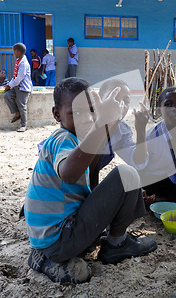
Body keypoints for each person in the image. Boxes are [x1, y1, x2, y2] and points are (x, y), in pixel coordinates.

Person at [25, 77, 157, 284]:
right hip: (59, 238)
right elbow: (68, 173)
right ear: (56, 114)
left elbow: (90, 184)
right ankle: (117, 245)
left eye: (91, 111)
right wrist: (102, 123)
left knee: (124, 181)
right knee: (126, 174)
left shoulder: (80, 140)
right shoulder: (63, 138)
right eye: (76, 113)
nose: (86, 118)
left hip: (52, 235)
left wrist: (114, 203)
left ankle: (49, 254)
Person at [3, 43, 32, 132]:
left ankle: (24, 125)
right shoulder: (19, 60)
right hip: (17, 86)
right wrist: (10, 84)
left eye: (14, 51)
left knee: (22, 105)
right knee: (7, 95)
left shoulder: (24, 63)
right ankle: (17, 113)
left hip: (23, 88)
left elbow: (19, 78)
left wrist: (9, 85)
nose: (13, 53)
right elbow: (15, 76)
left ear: (18, 52)